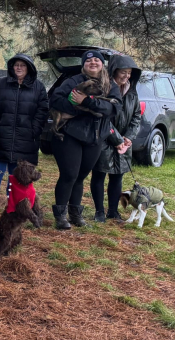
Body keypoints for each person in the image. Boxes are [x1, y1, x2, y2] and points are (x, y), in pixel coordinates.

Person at [50, 50, 121, 229]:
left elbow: (113, 108)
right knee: (69, 175)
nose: (93, 62)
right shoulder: (72, 81)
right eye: (89, 60)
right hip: (71, 134)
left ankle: (76, 215)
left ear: (102, 64)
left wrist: (87, 102)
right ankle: (61, 217)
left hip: (96, 137)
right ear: (84, 65)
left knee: (81, 176)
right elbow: (55, 100)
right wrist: (75, 109)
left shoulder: (110, 85)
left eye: (97, 59)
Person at [0, 54, 49, 213]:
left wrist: (35, 130)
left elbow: (43, 111)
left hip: (26, 139)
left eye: (23, 65)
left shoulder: (38, 87)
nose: (19, 68)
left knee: (18, 175)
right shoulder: (0, 84)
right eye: (16, 65)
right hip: (1, 137)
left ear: (29, 68)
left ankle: (16, 203)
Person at [91, 54, 141, 223]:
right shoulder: (104, 89)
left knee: (117, 176)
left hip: (124, 144)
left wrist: (128, 137)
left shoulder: (132, 93)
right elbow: (103, 118)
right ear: (114, 71)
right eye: (123, 72)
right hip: (104, 139)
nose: (126, 76)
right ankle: (99, 212)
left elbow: (136, 117)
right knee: (99, 175)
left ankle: (113, 211)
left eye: (129, 73)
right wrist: (118, 139)